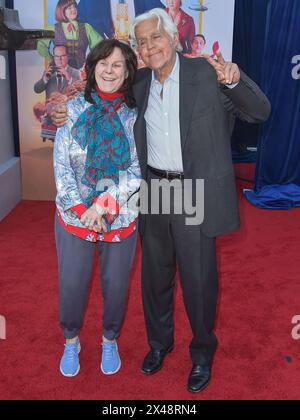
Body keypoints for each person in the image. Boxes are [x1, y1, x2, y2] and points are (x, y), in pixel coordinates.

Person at [51, 8, 271, 393]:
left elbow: (259, 111)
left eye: (156, 37)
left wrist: (235, 80)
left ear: (173, 37)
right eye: (142, 41)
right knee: (155, 278)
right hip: (153, 189)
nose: (150, 46)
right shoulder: (137, 82)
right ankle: (159, 345)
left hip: (192, 190)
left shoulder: (206, 73)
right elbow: (97, 100)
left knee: (199, 280)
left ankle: (202, 354)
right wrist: (62, 110)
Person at [54, 39, 141, 378]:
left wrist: (104, 206)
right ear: (91, 69)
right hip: (74, 215)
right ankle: (71, 341)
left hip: (119, 214)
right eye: (103, 63)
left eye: (117, 64)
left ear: (127, 71)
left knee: (116, 285)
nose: (109, 70)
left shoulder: (135, 117)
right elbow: (62, 167)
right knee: (73, 284)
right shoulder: (72, 109)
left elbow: (135, 169)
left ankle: (109, 340)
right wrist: (81, 209)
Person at [38, 0, 103, 69]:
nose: (73, 9)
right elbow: (41, 46)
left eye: (74, 7)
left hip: (81, 73)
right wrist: (52, 60)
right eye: (69, 8)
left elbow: (101, 46)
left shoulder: (87, 27)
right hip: (61, 73)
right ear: (62, 10)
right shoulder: (52, 28)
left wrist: (91, 62)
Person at [77, 0, 165, 39]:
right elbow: (77, 21)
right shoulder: (89, 2)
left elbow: (163, 15)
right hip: (108, 49)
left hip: (139, 49)